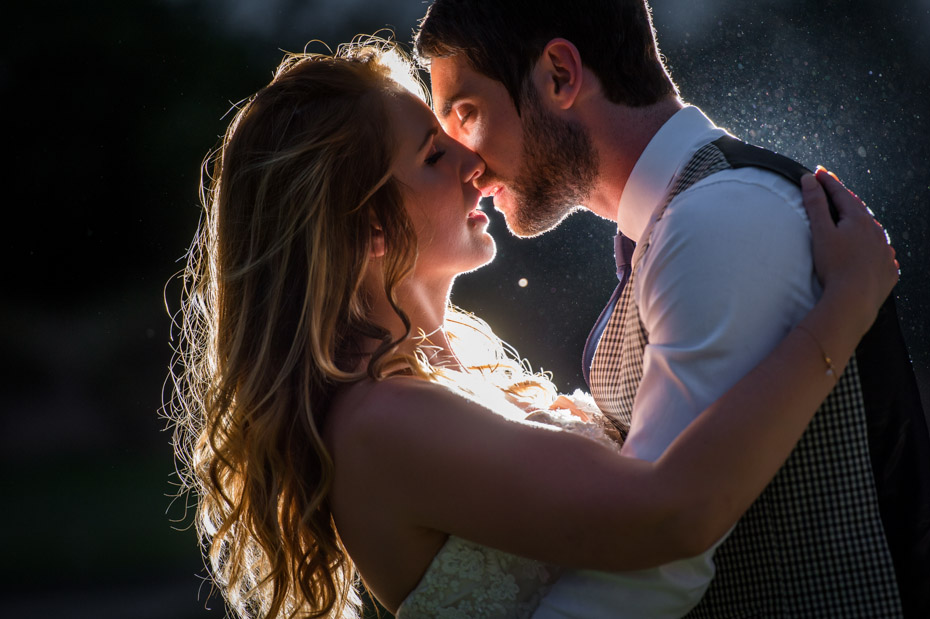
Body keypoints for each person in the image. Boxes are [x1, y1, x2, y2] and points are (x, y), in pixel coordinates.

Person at [167, 40, 902, 619]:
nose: (471, 159)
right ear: (370, 230)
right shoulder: (381, 423)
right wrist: (845, 308)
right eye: (433, 154)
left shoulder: (450, 363)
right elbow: (669, 516)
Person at [414, 1, 930, 617]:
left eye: (466, 113)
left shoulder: (719, 219)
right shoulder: (669, 227)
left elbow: (657, 565)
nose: (468, 163)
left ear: (559, 74)